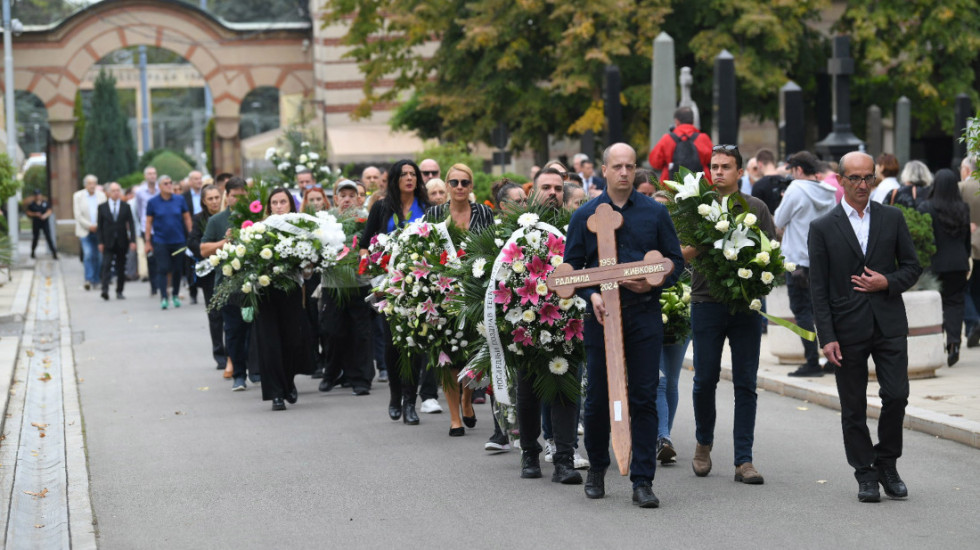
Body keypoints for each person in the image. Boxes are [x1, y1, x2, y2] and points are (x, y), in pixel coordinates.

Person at [565, 143, 684, 507]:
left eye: (630, 166)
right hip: (601, 317)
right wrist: (592, 295)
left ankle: (643, 480)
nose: (624, 173)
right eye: (617, 166)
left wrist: (654, 281)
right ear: (604, 170)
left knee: (645, 397)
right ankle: (598, 468)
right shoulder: (584, 215)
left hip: (643, 314)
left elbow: (674, 263)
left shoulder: (654, 213)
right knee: (599, 398)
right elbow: (571, 270)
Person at [808, 151, 921, 503]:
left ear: (875, 178)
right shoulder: (823, 227)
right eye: (854, 178)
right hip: (846, 328)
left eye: (867, 177)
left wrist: (886, 281)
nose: (861, 184)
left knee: (897, 395)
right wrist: (826, 337)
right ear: (840, 180)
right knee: (853, 406)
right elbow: (818, 288)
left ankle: (887, 462)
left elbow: (913, 267)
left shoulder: (892, 218)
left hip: (888, 323)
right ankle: (865, 474)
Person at [686, 145, 775, 485]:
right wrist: (710, 234)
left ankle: (744, 460)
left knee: (745, 384)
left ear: (741, 172)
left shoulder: (757, 208)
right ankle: (703, 443)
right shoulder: (696, 209)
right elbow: (682, 254)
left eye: (726, 166)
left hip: (745, 306)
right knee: (704, 378)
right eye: (714, 166)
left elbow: (771, 252)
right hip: (706, 303)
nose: (719, 172)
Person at [425, 163, 494, 436]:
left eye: (465, 182)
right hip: (443, 292)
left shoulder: (484, 212)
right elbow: (424, 248)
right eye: (454, 182)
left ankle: (467, 398)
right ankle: (454, 417)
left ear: (471, 186)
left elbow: (493, 249)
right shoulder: (435, 214)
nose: (459, 187)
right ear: (447, 185)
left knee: (471, 352)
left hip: (475, 292)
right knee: (447, 355)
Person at [361, 159, 431, 425]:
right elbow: (365, 243)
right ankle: (394, 395)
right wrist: (372, 260)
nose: (410, 178)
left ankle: (410, 403)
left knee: (414, 343)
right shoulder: (381, 207)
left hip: (418, 283)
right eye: (404, 174)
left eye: (413, 174)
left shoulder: (427, 208)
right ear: (395, 179)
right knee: (392, 344)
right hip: (388, 284)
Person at [772, 151, 838, 377]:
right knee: (824, 310)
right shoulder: (829, 192)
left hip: (797, 261)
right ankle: (833, 360)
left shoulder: (795, 189)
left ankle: (811, 361)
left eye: (791, 170)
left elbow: (778, 220)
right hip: (823, 260)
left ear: (799, 170)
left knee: (802, 311)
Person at [253, 188, 315, 410]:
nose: (279, 206)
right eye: (275, 203)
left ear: (291, 205)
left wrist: (307, 264)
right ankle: (275, 393)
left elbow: (308, 270)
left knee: (292, 340)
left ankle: (288, 383)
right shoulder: (259, 230)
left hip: (291, 290)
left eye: (283, 202)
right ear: (269, 207)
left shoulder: (301, 229)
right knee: (269, 342)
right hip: (265, 291)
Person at [201, 178, 253, 388]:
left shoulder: (255, 217)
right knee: (233, 331)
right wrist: (225, 241)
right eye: (234, 195)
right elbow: (203, 249)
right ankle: (239, 374)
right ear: (227, 196)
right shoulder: (217, 220)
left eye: (242, 195)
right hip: (227, 284)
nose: (238, 199)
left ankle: (255, 369)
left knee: (254, 330)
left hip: (253, 282)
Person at [918, 169, 971, 366]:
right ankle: (954, 342)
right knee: (955, 303)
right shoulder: (963, 208)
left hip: (935, 263)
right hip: (958, 263)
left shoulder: (926, 207)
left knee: (935, 304)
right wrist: (966, 259)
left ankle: (937, 341)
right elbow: (966, 239)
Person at [187, 184, 227, 371]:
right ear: (204, 201)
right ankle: (220, 354)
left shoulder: (228, 216)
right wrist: (210, 250)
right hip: (210, 272)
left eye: (216, 197)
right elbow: (193, 242)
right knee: (215, 313)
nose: (214, 201)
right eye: (210, 199)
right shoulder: (199, 219)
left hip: (229, 269)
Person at [145, 175, 192, 309]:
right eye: (166, 183)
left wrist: (191, 235)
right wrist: (148, 241)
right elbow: (148, 222)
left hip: (178, 240)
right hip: (160, 241)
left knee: (177, 269)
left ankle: (175, 295)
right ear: (159, 187)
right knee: (163, 268)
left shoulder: (179, 199)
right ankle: (164, 297)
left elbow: (187, 218)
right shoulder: (153, 202)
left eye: (170, 183)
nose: (169, 185)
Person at [648, 106, 714, 183]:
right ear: (693, 121)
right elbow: (713, 159)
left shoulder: (667, 139)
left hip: (671, 186)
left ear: (676, 121)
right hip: (701, 184)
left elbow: (655, 162)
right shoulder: (703, 138)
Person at [96, 182, 137, 300]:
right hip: (108, 241)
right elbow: (100, 226)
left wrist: (132, 240)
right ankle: (104, 290)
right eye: (113, 191)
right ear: (108, 193)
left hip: (121, 240)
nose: (116, 193)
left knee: (120, 267)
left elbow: (131, 223)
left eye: (118, 190)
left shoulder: (125, 206)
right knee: (106, 265)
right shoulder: (102, 207)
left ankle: (119, 290)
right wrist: (100, 242)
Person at [958, 156, 980, 347]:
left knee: (964, 287)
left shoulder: (962, 188)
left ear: (966, 169)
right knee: (977, 287)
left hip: (969, 243)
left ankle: (973, 322)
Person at [73, 174, 106, 290]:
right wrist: (89, 225)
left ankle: (96, 279)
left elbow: (104, 213)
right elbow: (78, 215)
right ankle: (88, 279)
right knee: (88, 254)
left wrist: (97, 226)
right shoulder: (78, 196)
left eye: (94, 183)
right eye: (90, 183)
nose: (92, 186)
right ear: (85, 185)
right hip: (85, 230)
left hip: (99, 230)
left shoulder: (101, 196)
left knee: (99, 256)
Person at [135, 166, 160, 293]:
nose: (152, 176)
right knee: (150, 256)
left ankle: (161, 283)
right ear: (145, 176)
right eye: (149, 174)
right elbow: (139, 210)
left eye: (154, 173)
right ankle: (153, 285)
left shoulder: (160, 190)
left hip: (160, 227)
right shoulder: (140, 192)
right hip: (148, 228)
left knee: (160, 255)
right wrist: (144, 224)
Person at [751, 149, 792, 215]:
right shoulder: (786, 182)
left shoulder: (758, 185)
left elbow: (755, 213)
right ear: (774, 162)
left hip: (765, 224)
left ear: (760, 164)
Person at [26, 190, 57, 259]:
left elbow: (49, 211)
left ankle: (54, 252)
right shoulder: (32, 204)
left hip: (44, 222)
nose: (38, 196)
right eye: (36, 195)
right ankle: (33, 252)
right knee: (35, 238)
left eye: (39, 195)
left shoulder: (45, 203)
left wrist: (45, 215)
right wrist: (35, 214)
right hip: (36, 222)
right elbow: (28, 212)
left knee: (49, 237)